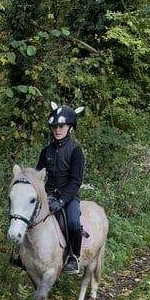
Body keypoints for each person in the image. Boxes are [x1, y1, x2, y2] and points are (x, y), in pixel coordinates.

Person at [36, 101, 86, 274]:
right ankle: (23, 256)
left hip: (69, 196)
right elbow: (38, 176)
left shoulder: (75, 150)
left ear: (70, 128)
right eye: (55, 126)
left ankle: (74, 256)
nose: (57, 130)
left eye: (61, 126)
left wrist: (62, 200)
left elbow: (75, 181)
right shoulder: (46, 151)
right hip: (48, 195)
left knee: (72, 223)